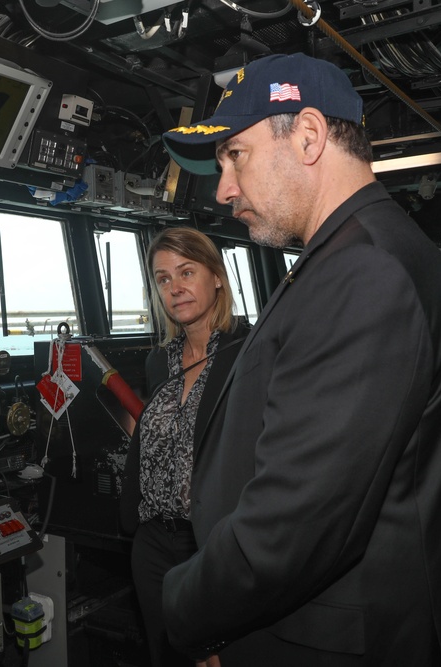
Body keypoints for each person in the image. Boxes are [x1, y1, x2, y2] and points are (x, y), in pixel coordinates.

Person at [158, 53, 441, 666]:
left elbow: (298, 525)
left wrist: (184, 611)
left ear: (310, 136)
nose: (223, 189)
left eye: (235, 155)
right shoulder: (355, 253)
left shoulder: (364, 270)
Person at [119, 227, 248, 667]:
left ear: (216, 277)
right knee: (166, 656)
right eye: (163, 279)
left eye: (186, 272)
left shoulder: (248, 354)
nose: (175, 288)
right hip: (153, 542)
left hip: (211, 544)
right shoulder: (160, 361)